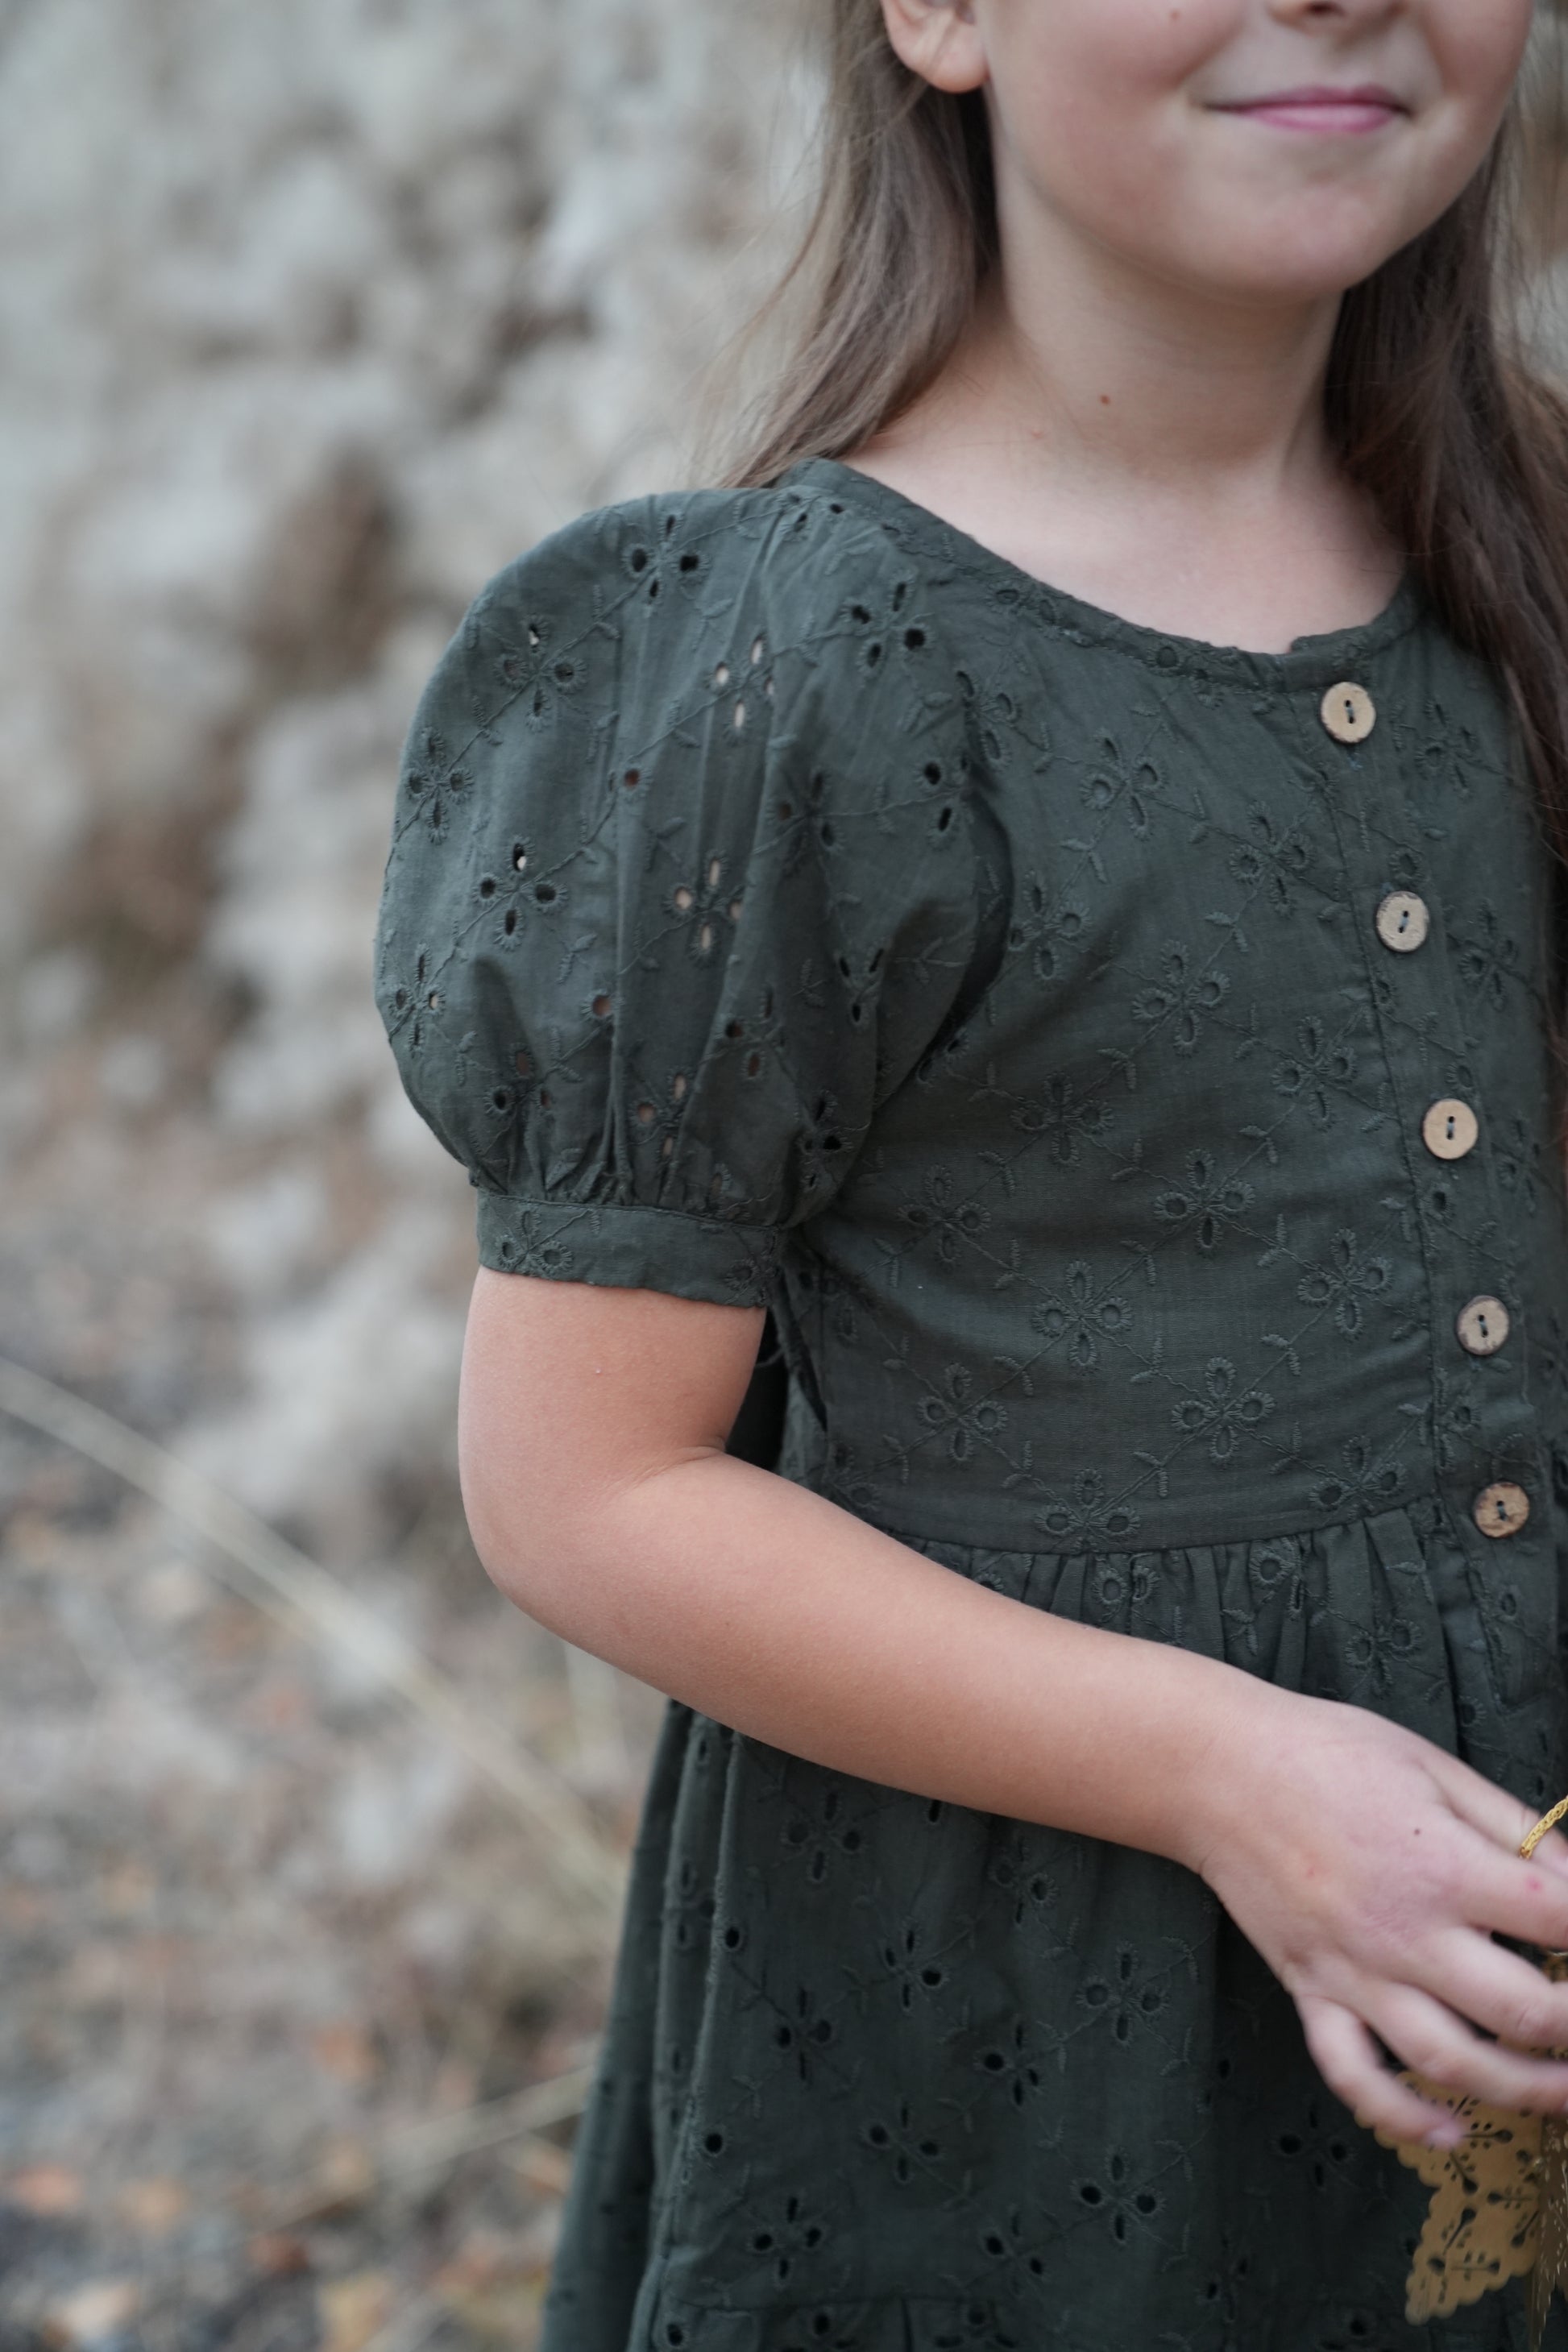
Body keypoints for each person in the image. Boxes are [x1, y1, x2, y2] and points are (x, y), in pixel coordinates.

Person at [374, 2, 1568, 2343]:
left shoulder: (1522, 549)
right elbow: (582, 1493)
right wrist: (1229, 1773)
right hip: (1017, 2013)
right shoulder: (778, 673)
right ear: (935, 7)